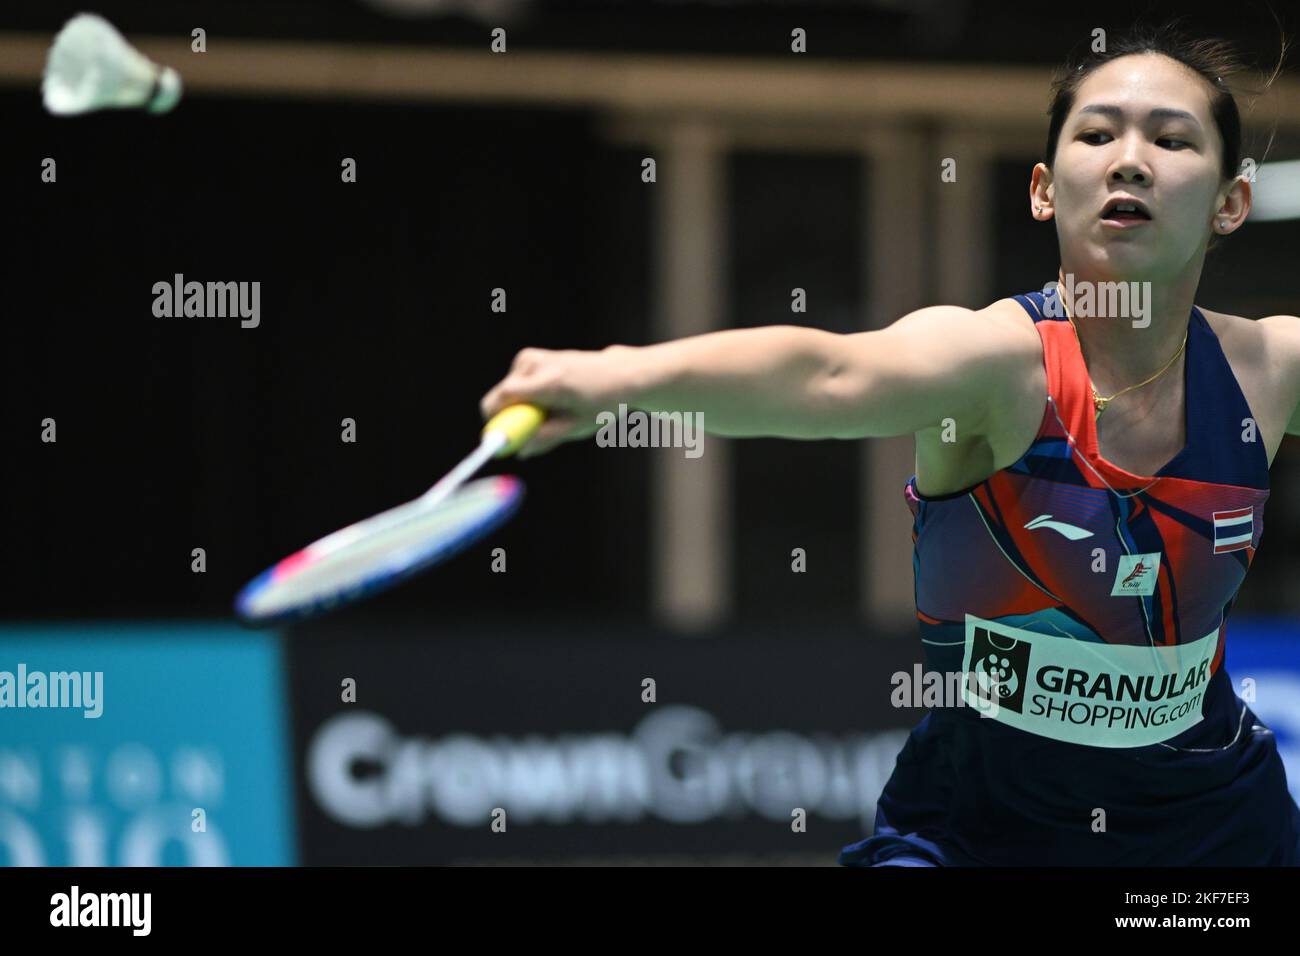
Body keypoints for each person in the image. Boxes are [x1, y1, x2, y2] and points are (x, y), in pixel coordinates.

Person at [479, 22, 1300, 865]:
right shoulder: (994, 365)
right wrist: (614, 378)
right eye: (1097, 134)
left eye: (1171, 138)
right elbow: (828, 375)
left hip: (1214, 827)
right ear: (1045, 189)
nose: (1130, 158)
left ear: (1231, 201)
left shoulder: (1267, 369)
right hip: (979, 829)